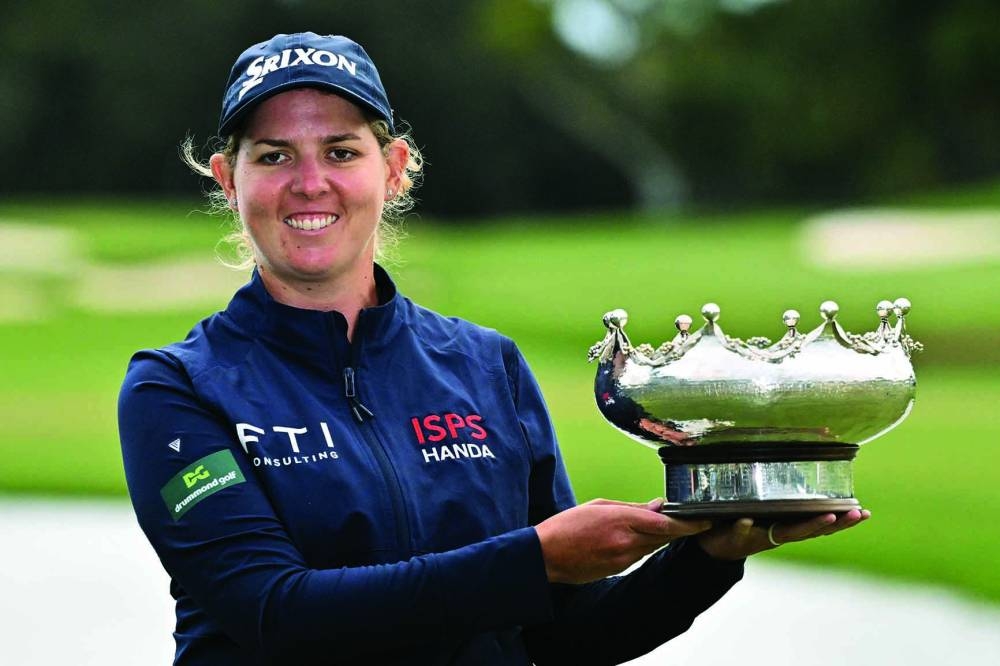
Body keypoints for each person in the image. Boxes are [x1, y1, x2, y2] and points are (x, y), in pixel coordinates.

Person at [118, 32, 869, 666]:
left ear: (393, 169)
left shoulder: (484, 366)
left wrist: (709, 557)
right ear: (228, 179)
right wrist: (534, 560)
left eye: (341, 152)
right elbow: (274, 612)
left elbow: (569, 636)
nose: (310, 184)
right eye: (275, 156)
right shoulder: (178, 389)